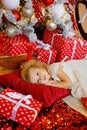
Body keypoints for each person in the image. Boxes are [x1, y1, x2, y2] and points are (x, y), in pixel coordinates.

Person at [20, 59, 87, 99]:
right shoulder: (51, 78)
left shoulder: (52, 69)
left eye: (37, 73)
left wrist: (49, 85)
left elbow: (68, 83)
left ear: (40, 67)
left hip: (80, 70)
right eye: (38, 81)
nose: (41, 78)